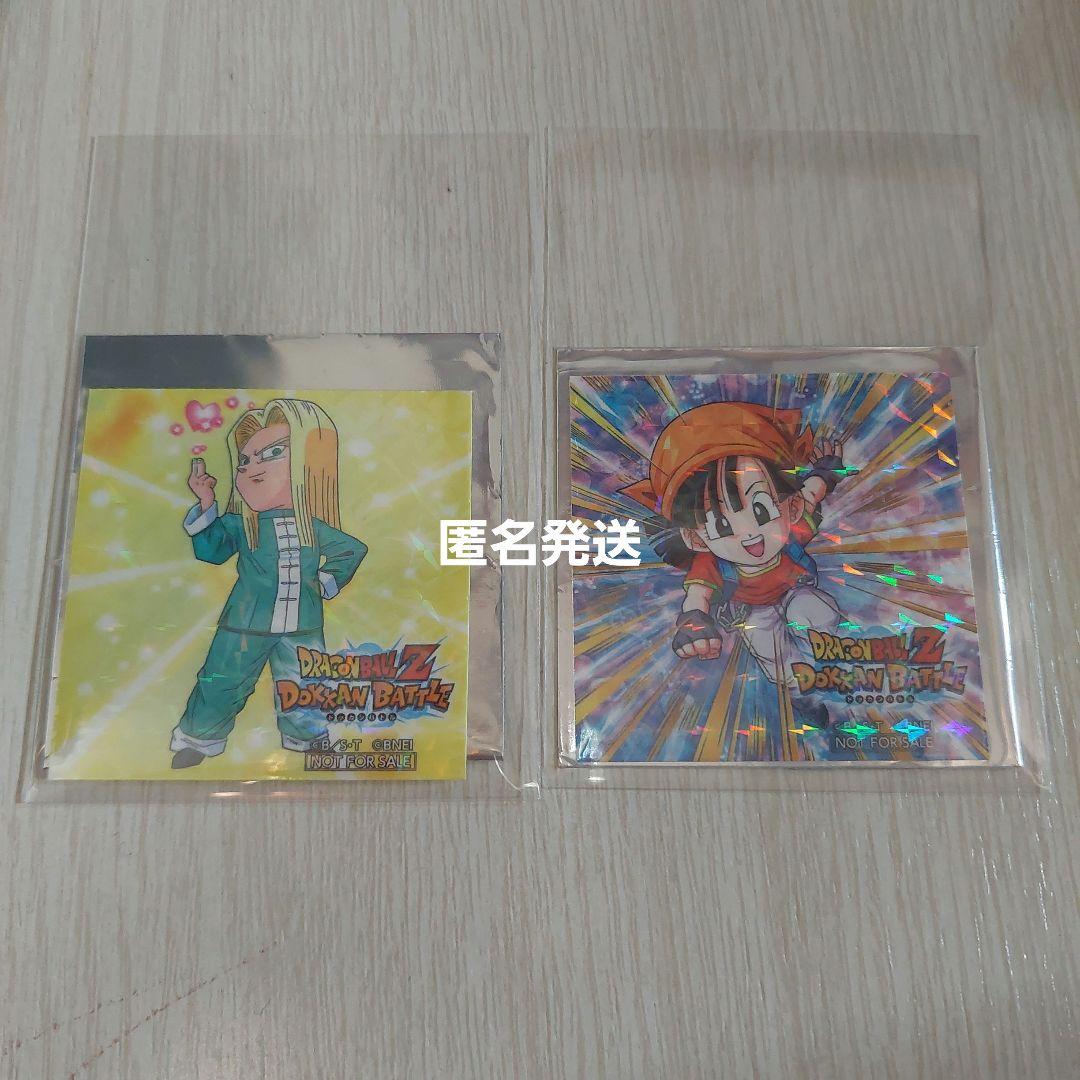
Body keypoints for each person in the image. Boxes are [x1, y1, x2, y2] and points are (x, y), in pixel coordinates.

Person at [170, 398, 366, 768]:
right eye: (244, 461)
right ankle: (199, 739)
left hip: (303, 625)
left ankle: (308, 740)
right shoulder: (241, 524)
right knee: (222, 680)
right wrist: (207, 501)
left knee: (306, 685)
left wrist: (326, 580)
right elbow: (211, 552)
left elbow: (352, 550)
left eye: (274, 453)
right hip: (245, 622)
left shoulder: (313, 527)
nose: (252, 469)